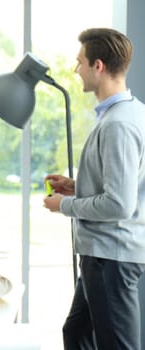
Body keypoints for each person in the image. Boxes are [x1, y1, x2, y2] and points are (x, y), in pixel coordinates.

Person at [44, 28, 145, 350]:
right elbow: (124, 184)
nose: (76, 70)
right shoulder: (124, 114)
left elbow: (119, 203)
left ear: (98, 66)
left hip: (110, 256)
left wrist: (64, 205)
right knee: (76, 334)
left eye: (80, 62)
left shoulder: (119, 124)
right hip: (100, 254)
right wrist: (76, 187)